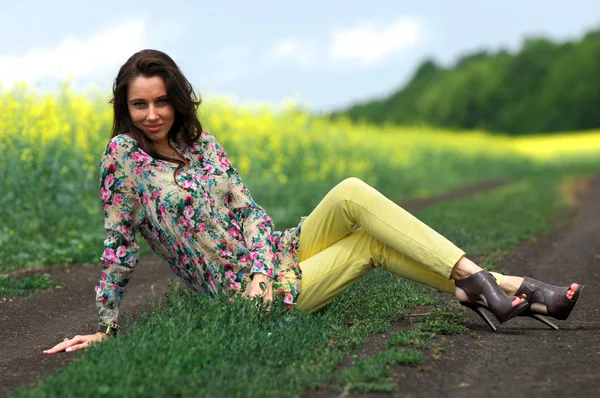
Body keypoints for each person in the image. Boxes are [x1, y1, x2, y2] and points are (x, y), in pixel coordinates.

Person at [43, 49, 581, 354]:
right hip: (245, 295)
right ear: (125, 106)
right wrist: (106, 326)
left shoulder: (199, 143)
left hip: (272, 257)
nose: (153, 114)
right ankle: (507, 287)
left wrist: (263, 261)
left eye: (162, 101)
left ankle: (481, 286)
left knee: (349, 192)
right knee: (369, 244)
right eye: (140, 104)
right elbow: (118, 248)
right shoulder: (122, 160)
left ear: (176, 99)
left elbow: (248, 212)